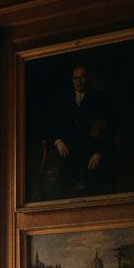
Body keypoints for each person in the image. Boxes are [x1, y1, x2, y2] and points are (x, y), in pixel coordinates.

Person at [49, 63, 113, 198]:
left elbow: (108, 129)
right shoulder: (64, 99)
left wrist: (99, 153)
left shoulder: (99, 98)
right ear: (72, 80)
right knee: (63, 187)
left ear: (87, 79)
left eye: (82, 77)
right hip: (68, 150)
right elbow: (54, 124)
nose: (79, 81)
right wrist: (58, 141)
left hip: (91, 151)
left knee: (93, 185)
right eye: (76, 78)